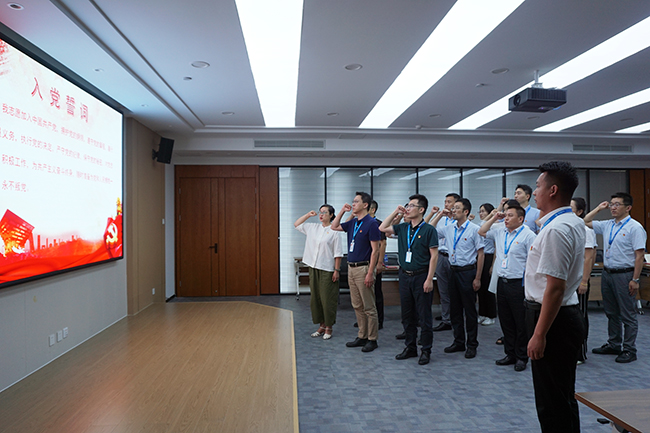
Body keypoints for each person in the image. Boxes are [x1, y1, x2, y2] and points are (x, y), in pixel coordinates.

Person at [525, 161, 585, 433]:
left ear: (553, 190)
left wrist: (539, 334)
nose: (534, 192)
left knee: (552, 402)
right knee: (561, 396)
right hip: (562, 316)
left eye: (538, 186)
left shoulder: (556, 229)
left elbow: (555, 288)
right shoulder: (571, 222)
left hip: (553, 320)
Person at [584, 192, 646, 364]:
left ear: (628, 208)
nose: (612, 207)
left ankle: (629, 349)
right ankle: (614, 344)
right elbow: (586, 221)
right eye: (611, 204)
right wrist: (599, 208)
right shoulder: (608, 225)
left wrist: (635, 280)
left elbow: (639, 256)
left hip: (625, 275)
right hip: (608, 273)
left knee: (628, 314)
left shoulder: (635, 227)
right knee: (611, 313)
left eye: (617, 204)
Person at [380, 194, 438, 365]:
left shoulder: (429, 230)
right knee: (407, 314)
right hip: (404, 275)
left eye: (412, 206)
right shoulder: (403, 227)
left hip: (421, 275)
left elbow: (434, 257)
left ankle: (426, 349)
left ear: (421, 210)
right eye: (407, 205)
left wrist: (429, 279)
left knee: (424, 315)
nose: (408, 208)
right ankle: (410, 347)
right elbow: (383, 228)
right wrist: (396, 212)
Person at [479, 204, 536, 371]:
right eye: (506, 215)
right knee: (506, 321)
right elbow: (481, 231)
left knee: (520, 322)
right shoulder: (500, 231)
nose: (506, 218)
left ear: (521, 219)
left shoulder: (529, 235)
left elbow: (533, 261)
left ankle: (521, 357)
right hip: (502, 282)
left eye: (510, 215)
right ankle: (510, 354)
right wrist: (494, 218)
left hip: (518, 284)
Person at [431, 198, 484, 359]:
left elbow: (481, 254)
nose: (453, 210)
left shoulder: (474, 229)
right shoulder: (449, 228)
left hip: (467, 272)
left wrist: (477, 278)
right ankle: (459, 341)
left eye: (456, 208)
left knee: (469, 310)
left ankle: (472, 344)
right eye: (452, 208)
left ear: (466, 211)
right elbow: (430, 228)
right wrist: (440, 214)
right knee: (455, 309)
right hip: (452, 271)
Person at [331, 192, 382, 353]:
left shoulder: (371, 223)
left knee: (369, 306)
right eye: (353, 201)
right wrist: (342, 211)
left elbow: (375, 250)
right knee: (357, 305)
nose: (353, 204)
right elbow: (334, 226)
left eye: (356, 202)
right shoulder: (353, 222)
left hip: (364, 268)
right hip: (351, 268)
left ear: (365, 205)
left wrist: (370, 272)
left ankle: (372, 339)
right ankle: (362, 335)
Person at [294, 205, 344, 340]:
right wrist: (308, 215)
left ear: (331, 215)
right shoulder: (313, 227)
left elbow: (338, 253)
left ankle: (329, 326)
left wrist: (336, 270)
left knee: (327, 299)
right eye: (320, 212)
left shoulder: (334, 231)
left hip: (327, 269)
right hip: (313, 267)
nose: (321, 215)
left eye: (325, 212)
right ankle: (321, 325)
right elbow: (296, 224)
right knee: (315, 299)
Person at [425, 193, 460, 332]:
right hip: (440, 256)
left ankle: (455, 316)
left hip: (454, 258)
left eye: (449, 202)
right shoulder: (441, 220)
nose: (446, 204)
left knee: (455, 290)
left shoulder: (459, 221)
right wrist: (438, 215)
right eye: (445, 202)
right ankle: (447, 318)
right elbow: (428, 228)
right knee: (443, 290)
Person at [570, 197, 597, 364]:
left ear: (580, 212)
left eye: (571, 208)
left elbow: (589, 258)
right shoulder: (569, 228)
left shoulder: (586, 230)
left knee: (580, 315)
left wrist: (584, 281)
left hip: (580, 280)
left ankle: (580, 352)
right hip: (568, 280)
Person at [475, 203, 497, 326]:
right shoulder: (480, 225)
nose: (481, 213)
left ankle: (491, 315)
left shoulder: (494, 227)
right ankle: (482, 313)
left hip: (489, 257)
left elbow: (496, 247)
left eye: (483, 211)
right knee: (480, 287)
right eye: (480, 211)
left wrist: (493, 264)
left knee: (489, 288)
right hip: (480, 257)